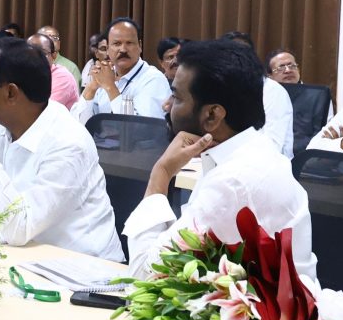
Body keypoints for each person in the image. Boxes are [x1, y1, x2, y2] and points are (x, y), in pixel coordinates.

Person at [123, 40, 317, 280]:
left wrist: (161, 173)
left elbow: (144, 275)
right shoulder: (255, 149)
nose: (168, 106)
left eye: (177, 97)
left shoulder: (232, 181)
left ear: (212, 115)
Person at [0, 39, 123, 257]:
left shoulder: (69, 142)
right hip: (22, 262)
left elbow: (17, 228)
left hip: (85, 275)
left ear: (11, 93)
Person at [71, 17, 171, 125]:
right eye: (117, 44)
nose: (123, 49)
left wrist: (110, 87)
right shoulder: (105, 75)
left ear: (140, 46)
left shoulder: (153, 79)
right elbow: (78, 125)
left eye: (129, 43)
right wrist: (91, 87)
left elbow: (142, 130)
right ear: (108, 49)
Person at [222, 31, 294, 158]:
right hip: (225, 162)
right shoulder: (222, 87)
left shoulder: (273, 91)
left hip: (267, 166)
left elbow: (272, 146)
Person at [27, 33, 79, 110]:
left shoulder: (63, 77)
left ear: (53, 55)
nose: (35, 57)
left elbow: (44, 111)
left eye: (42, 53)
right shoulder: (26, 73)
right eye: (30, 52)